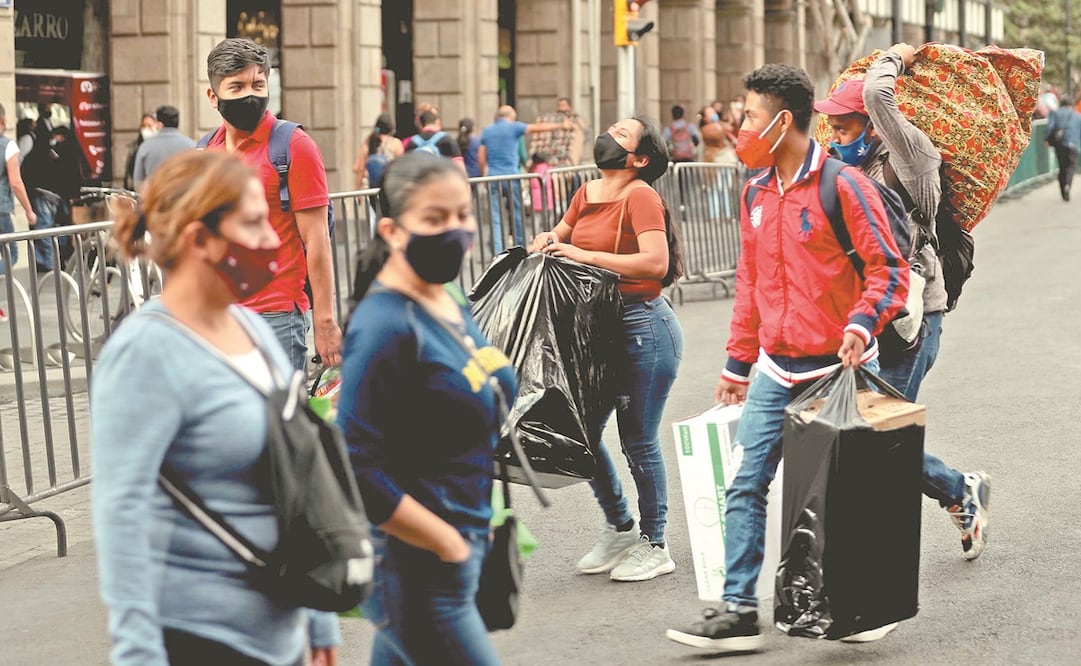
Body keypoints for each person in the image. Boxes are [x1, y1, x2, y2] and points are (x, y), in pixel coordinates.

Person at [665, 64, 909, 653]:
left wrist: (860, 323)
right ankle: (738, 612)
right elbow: (751, 281)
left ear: (782, 122)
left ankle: (863, 602)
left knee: (847, 493)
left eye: (749, 115)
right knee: (746, 484)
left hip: (839, 368)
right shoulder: (755, 190)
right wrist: (738, 362)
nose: (740, 126)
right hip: (776, 369)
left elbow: (889, 269)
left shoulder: (844, 186)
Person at [90, 150, 340, 666]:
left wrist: (318, 615)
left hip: (280, 638)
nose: (272, 240)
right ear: (198, 239)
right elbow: (121, 516)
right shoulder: (143, 353)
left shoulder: (251, 329)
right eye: (252, 224)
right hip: (199, 640)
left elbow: (295, 472)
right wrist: (139, 654)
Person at [337, 153, 516, 665]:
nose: (455, 230)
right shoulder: (385, 325)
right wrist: (447, 543)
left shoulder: (445, 297)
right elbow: (355, 465)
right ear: (392, 231)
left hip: (460, 539)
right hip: (416, 568)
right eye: (434, 219)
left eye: (462, 215)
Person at [816, 44, 992, 562]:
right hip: (864, 317)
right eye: (833, 128)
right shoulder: (846, 170)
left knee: (880, 433)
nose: (835, 136)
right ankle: (955, 491)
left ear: (874, 126)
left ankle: (952, 495)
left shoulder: (911, 158)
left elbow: (876, 92)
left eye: (844, 127)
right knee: (864, 429)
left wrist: (897, 55)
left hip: (911, 319)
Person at [529, 116, 684, 583]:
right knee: (582, 433)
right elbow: (561, 233)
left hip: (644, 327)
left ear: (639, 158)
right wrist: (549, 239)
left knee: (638, 440)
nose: (608, 136)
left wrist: (585, 255)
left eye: (621, 135)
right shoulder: (587, 192)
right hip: (597, 329)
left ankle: (655, 544)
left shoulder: (640, 196)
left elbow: (654, 263)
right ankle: (620, 526)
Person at [201, 37, 341, 371]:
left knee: (275, 407)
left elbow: (317, 241)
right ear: (213, 96)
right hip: (220, 316)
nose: (250, 95)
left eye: (258, 85)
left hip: (276, 316)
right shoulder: (206, 151)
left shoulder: (294, 146)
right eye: (236, 87)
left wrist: (325, 322)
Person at [480, 105, 571, 252]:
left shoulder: (487, 130)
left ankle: (497, 250)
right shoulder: (514, 127)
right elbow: (537, 128)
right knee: (517, 213)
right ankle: (520, 247)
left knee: (495, 217)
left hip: (493, 177)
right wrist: (561, 125)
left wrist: (484, 171)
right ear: (511, 116)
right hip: (512, 176)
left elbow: (481, 153)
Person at [21, 125, 90, 272]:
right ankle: (59, 259)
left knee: (44, 230)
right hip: (60, 196)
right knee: (60, 229)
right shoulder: (63, 151)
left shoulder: (47, 151)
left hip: (46, 194)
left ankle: (49, 264)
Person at [0, 103, 38, 285]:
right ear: (3, 121)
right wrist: (29, 210)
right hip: (1, 211)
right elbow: (15, 182)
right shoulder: (8, 146)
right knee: (11, 255)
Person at [133, 105, 196, 189]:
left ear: (158, 123)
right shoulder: (191, 145)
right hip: (184, 195)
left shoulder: (145, 147)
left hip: (155, 195)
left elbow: (138, 182)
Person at [527, 97, 587, 168]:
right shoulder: (550, 119)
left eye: (563, 105)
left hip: (564, 157)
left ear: (569, 106)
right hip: (548, 157)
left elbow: (579, 138)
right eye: (559, 105)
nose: (561, 107)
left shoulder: (575, 120)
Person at [353, 113, 404, 189]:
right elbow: (401, 168)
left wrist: (357, 189)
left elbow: (358, 168)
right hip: (389, 188)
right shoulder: (396, 143)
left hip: (371, 190)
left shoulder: (368, 142)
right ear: (391, 128)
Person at [1046, 93, 1081, 201]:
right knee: (1071, 166)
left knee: (1062, 166)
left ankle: (1062, 188)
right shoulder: (1077, 116)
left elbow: (1050, 127)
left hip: (1060, 144)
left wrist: (1047, 139)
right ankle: (1067, 185)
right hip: (1074, 144)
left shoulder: (1055, 113)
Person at [124, 113, 158, 191]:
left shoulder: (161, 146)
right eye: (143, 126)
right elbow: (129, 173)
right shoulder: (135, 147)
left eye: (149, 126)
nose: (146, 129)